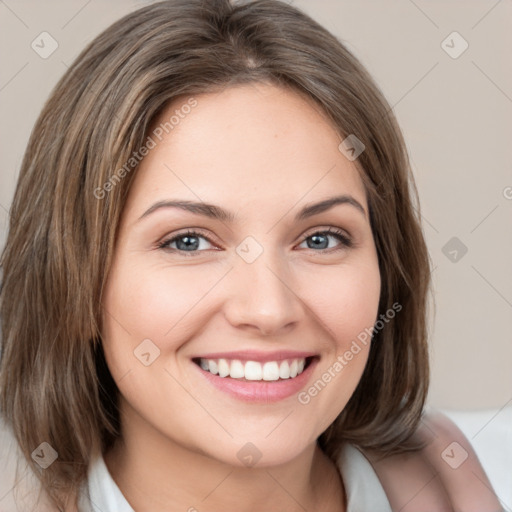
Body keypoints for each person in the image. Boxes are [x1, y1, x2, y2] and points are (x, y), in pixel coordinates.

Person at [0, 1, 502, 511]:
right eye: (188, 241)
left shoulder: (473, 477)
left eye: (321, 238)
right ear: (72, 282)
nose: (269, 309)